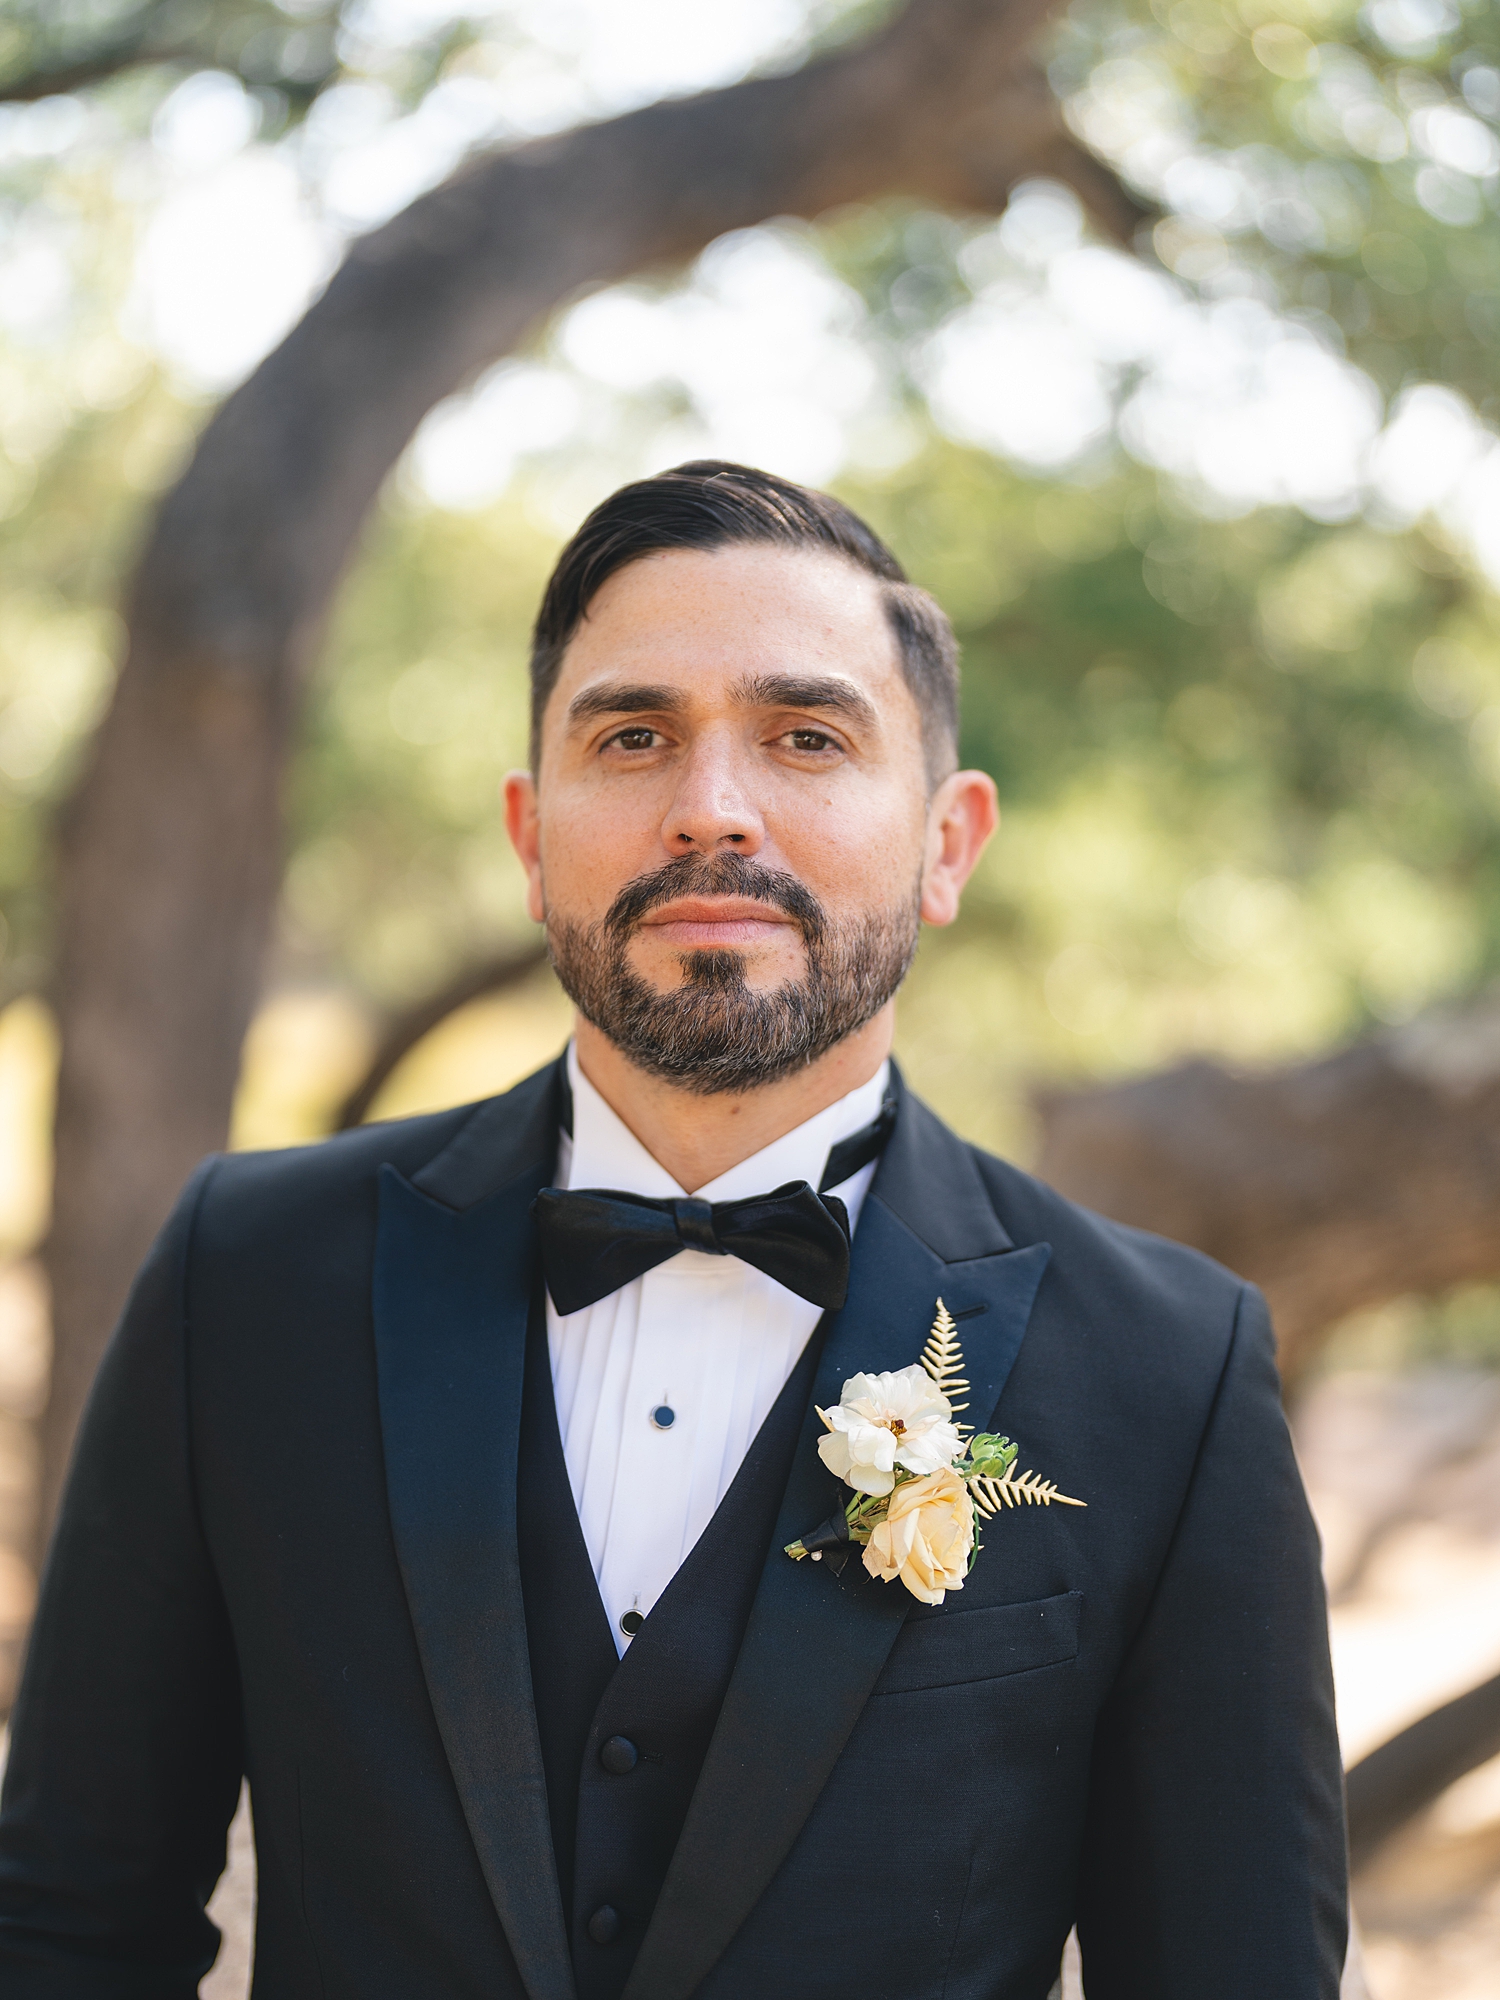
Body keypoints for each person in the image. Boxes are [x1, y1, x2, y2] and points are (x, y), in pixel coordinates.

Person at [0, 461, 1347, 1998]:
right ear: (529, 836)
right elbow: (66, 1928)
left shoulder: (1173, 1371)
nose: (711, 808)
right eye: (633, 738)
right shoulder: (245, 1277)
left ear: (948, 842)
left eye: (807, 738)